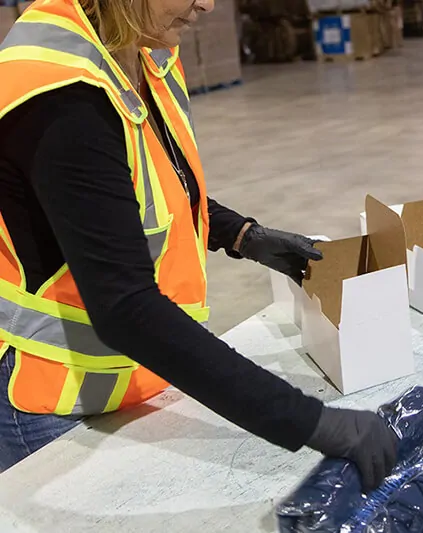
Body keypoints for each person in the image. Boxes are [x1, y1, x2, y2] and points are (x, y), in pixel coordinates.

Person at [0, 0, 398, 489]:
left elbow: (144, 183)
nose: (208, 3)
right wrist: (310, 422)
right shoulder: (60, 92)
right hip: (55, 400)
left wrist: (239, 234)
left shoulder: (139, 50)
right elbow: (126, 309)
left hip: (131, 383)